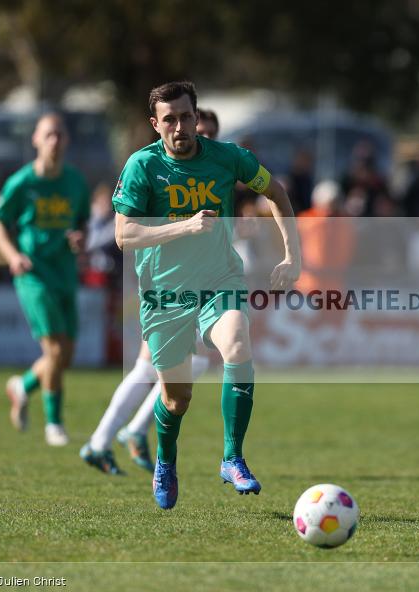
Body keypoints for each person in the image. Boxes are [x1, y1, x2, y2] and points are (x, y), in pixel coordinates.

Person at [113, 81, 300, 509]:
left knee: (237, 343)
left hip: (220, 281)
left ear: (197, 118)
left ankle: (233, 458)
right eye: (169, 119)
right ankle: (166, 459)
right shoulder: (142, 166)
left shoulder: (227, 158)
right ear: (154, 125)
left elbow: (276, 192)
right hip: (164, 295)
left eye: (186, 116)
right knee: (176, 399)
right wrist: (186, 225)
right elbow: (125, 234)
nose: (179, 126)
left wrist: (292, 255)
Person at [80, 110, 222, 475]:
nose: (195, 136)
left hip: (199, 279)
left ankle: (116, 436)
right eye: (196, 129)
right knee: (152, 366)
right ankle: (110, 438)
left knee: (193, 360)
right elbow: (131, 228)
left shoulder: (213, 171)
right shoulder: (154, 167)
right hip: (165, 278)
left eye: (207, 133)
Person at [0, 113, 90, 447]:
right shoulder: (22, 182)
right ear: (35, 139)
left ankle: (23, 386)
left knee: (66, 355)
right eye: (48, 135)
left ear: (68, 140)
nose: (54, 140)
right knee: (56, 350)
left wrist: (79, 238)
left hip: (64, 272)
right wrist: (12, 255)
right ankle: (54, 425)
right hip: (34, 275)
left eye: (60, 134)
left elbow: (82, 224)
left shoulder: (76, 181)